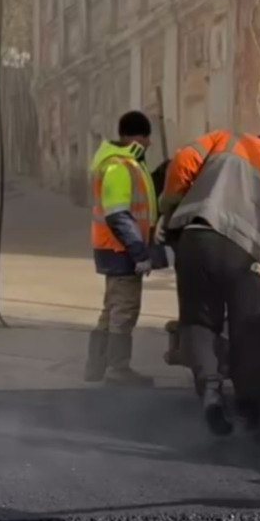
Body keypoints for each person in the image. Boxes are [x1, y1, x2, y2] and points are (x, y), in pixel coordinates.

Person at [160, 128, 260, 436]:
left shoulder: (226, 140)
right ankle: (250, 413)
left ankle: (211, 391)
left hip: (198, 238)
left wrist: (171, 210)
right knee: (250, 334)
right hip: (250, 262)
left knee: (198, 321)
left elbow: (184, 159)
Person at [84, 110, 157, 387]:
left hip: (114, 248)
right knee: (124, 310)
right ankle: (117, 369)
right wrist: (139, 252)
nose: (149, 143)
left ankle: (96, 366)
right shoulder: (118, 167)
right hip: (121, 249)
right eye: (146, 137)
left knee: (112, 308)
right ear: (135, 136)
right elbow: (118, 214)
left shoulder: (126, 164)